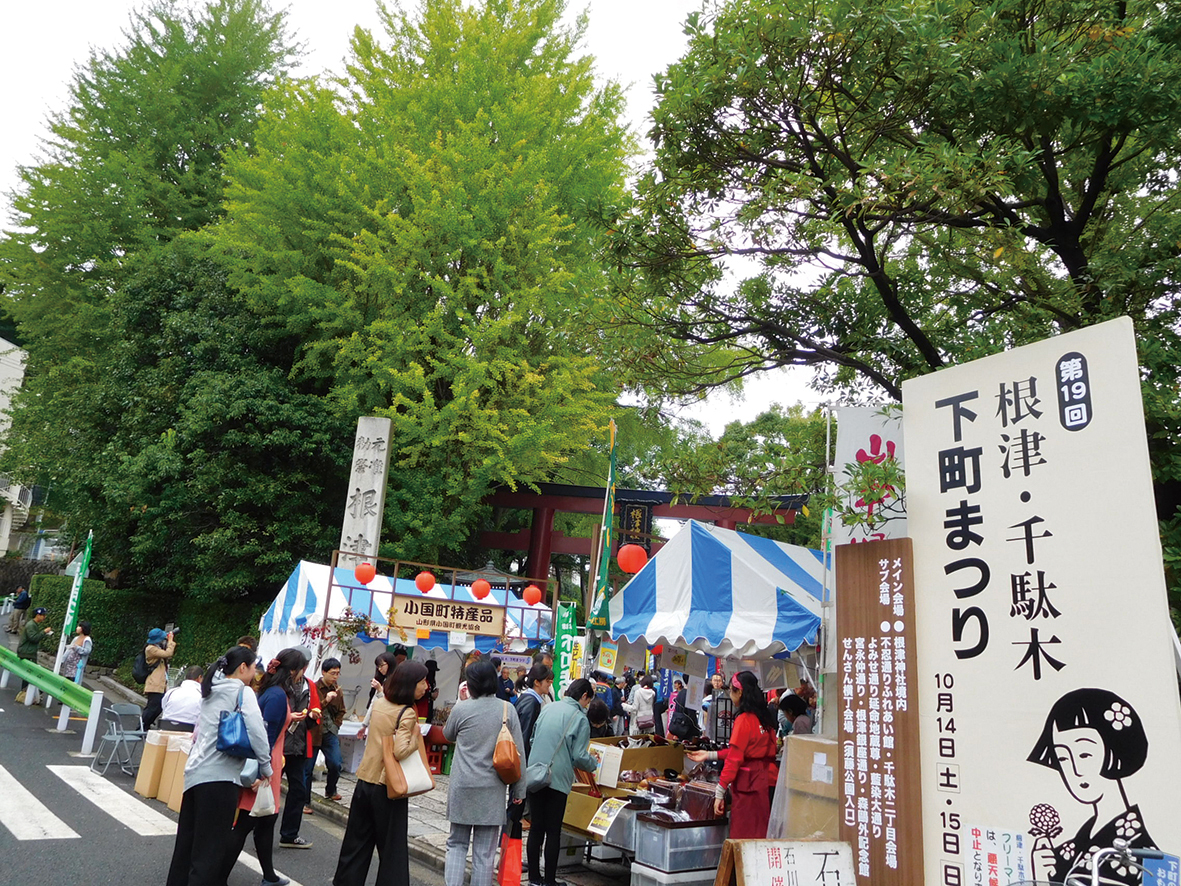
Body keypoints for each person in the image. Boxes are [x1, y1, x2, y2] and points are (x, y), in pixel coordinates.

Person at [165, 646, 272, 886]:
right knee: (209, 851)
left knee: (186, 846)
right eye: (254, 667)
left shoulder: (209, 690)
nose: (255, 673)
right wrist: (266, 768)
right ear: (243, 667)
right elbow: (257, 730)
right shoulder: (242, 693)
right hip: (220, 779)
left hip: (194, 774)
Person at [1028, 688, 1157, 886]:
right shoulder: (1067, 850)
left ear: (1113, 752)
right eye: (1063, 757)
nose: (1075, 770)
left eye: (1085, 754)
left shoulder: (1144, 856)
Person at [333, 660, 429, 886]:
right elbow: (400, 750)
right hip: (388, 787)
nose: (426, 686)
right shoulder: (407, 713)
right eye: (422, 681)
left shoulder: (380, 704)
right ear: (409, 684)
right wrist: (416, 736)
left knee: (356, 843)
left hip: (365, 780)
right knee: (392, 850)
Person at [221, 649, 303, 886]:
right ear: (294, 671)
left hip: (266, 765)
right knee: (246, 823)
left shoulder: (268, 692)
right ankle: (219, 876)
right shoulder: (278, 696)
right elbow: (266, 736)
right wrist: (260, 772)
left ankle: (269, 876)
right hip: (266, 767)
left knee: (265, 822)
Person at [443, 659, 527, 886]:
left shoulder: (462, 708)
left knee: (456, 845)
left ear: (471, 684)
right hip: (492, 791)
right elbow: (519, 753)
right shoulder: (507, 709)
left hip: (462, 787)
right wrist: (519, 790)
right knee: (484, 853)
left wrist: (460, 703)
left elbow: (448, 735)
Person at [687, 671, 778, 839]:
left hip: (749, 785)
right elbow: (743, 752)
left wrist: (719, 792)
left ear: (740, 692)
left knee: (743, 836)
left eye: (731, 690)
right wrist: (709, 755)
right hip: (767, 781)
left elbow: (735, 758)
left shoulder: (744, 719)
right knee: (762, 833)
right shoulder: (764, 718)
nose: (729, 694)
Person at [526, 678, 597, 886]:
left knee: (536, 827)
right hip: (557, 779)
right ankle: (549, 881)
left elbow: (532, 739)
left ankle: (533, 879)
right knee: (553, 830)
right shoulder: (580, 718)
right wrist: (594, 764)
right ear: (584, 696)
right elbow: (578, 755)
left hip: (536, 773)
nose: (587, 705)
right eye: (588, 700)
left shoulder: (548, 708)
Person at [279, 660, 315, 847]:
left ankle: (290, 834)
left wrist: (312, 716)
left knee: (298, 790)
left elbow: (315, 712)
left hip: (299, 746)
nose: (300, 671)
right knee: (267, 788)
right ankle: (254, 827)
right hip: (278, 745)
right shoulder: (279, 685)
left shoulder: (310, 686)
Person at [312, 657, 346, 802]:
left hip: (330, 731)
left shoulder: (337, 690)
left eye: (338, 673)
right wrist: (326, 700)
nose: (335, 676)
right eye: (332, 673)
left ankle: (331, 790)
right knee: (307, 769)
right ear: (324, 672)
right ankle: (305, 801)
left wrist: (337, 725)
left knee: (336, 763)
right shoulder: (314, 687)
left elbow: (342, 710)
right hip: (314, 731)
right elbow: (313, 709)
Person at [15, 607, 52, 703]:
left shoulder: (33, 624)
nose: (44, 617)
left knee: (28, 673)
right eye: (43, 615)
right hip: (27, 652)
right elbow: (33, 638)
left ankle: (27, 693)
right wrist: (44, 632)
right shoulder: (31, 625)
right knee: (29, 673)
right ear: (38, 615)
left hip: (28, 651)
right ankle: (25, 694)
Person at [143, 628, 178, 730]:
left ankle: (145, 726)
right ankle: (142, 726)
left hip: (160, 683)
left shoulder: (156, 647)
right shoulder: (150, 649)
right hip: (154, 683)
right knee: (153, 707)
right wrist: (170, 640)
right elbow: (168, 653)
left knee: (158, 707)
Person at [516, 664, 553, 757]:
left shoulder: (527, 698)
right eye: (547, 681)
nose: (550, 684)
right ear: (537, 682)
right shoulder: (531, 703)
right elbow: (526, 735)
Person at [159, 666, 205, 732]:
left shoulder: (171, 692)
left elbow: (164, 707)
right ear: (200, 677)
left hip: (166, 731)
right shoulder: (202, 696)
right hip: (188, 734)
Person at [60, 620, 93, 684]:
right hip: (69, 666)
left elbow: (87, 651)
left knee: (74, 681)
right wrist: (62, 660)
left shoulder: (87, 640)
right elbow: (68, 650)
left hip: (77, 666)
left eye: (79, 626)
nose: (77, 628)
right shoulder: (76, 638)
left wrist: (77, 648)